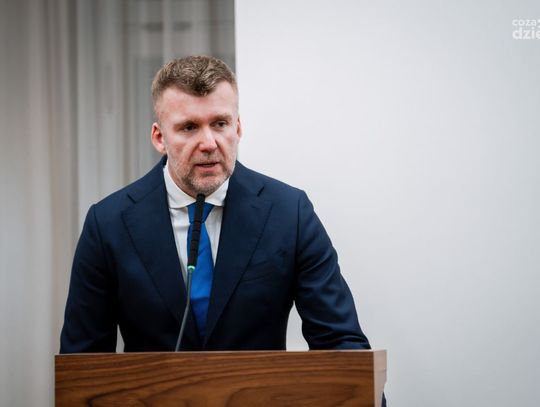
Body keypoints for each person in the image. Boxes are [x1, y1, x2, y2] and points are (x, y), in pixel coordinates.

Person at [60, 56, 373, 353]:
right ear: (159, 138)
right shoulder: (108, 224)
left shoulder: (290, 213)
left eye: (220, 123)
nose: (209, 143)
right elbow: (82, 363)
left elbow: (342, 343)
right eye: (189, 127)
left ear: (238, 128)